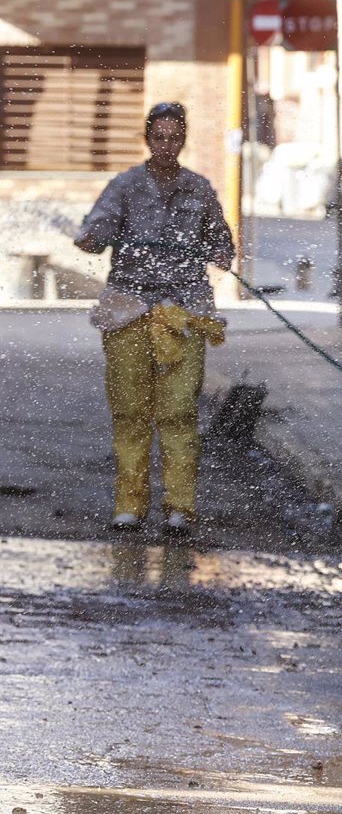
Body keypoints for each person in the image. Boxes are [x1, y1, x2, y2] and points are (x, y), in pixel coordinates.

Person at [75, 102, 235, 538]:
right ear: (147, 139)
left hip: (185, 313)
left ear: (184, 140)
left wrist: (222, 254)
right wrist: (92, 238)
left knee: (180, 411)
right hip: (128, 309)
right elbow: (95, 231)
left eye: (174, 137)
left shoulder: (199, 190)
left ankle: (179, 507)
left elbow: (221, 240)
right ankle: (129, 504)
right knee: (130, 412)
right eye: (159, 137)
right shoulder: (124, 187)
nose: (166, 145)